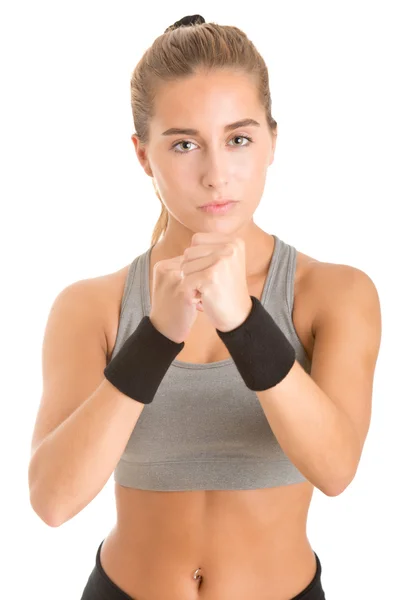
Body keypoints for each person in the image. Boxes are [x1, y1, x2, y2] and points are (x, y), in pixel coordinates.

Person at [28, 14, 382, 600]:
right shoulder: (91, 306)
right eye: (185, 144)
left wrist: (243, 322)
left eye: (238, 139)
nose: (217, 174)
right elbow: (52, 501)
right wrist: (156, 338)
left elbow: (336, 469)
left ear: (272, 141)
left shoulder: (334, 293)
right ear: (144, 156)